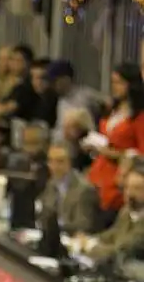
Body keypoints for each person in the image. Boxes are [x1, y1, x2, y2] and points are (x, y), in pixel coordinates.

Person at [88, 62, 144, 224]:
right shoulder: (112, 109)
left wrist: (111, 153)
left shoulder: (139, 116)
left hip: (118, 178)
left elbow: (141, 154)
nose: (115, 87)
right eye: (113, 82)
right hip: (98, 172)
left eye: (119, 82)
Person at [40, 141, 100, 234]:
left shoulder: (84, 189)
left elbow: (83, 226)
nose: (54, 167)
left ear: (70, 163)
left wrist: (57, 228)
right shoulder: (51, 183)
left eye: (60, 161)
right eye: (51, 161)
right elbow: (44, 214)